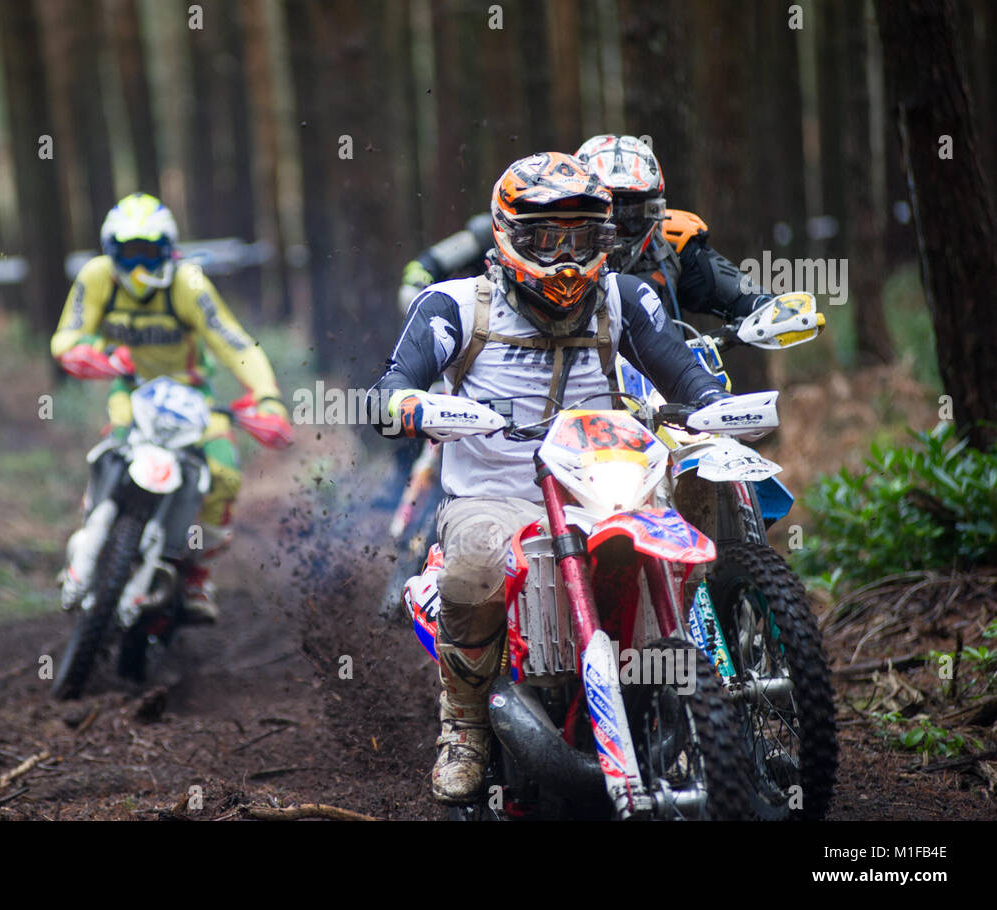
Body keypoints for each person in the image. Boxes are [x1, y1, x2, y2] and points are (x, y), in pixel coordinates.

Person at [369, 152, 732, 804]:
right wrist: (406, 404)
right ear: (508, 236)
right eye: (547, 240)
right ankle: (467, 726)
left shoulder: (622, 297)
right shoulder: (455, 306)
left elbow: (681, 368)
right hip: (495, 496)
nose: (566, 261)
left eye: (582, 240)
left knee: (693, 501)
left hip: (606, 485)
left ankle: (693, 699)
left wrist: (708, 404)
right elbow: (394, 383)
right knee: (476, 560)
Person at [51, 192, 291, 624]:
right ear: (111, 253)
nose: (139, 267)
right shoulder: (96, 277)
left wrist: (267, 397)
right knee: (112, 455)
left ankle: (197, 573)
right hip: (131, 391)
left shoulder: (189, 285)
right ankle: (93, 532)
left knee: (223, 475)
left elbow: (235, 344)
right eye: (129, 254)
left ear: (169, 250)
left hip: (194, 398)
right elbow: (67, 336)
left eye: (149, 253)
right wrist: (91, 355)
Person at [397, 134, 773, 324]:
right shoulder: (515, 231)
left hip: (659, 389)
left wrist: (767, 309)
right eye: (610, 212)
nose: (621, 228)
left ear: (657, 211)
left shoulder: (673, 240)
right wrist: (419, 293)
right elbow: (428, 263)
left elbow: (739, 291)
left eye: (635, 213)